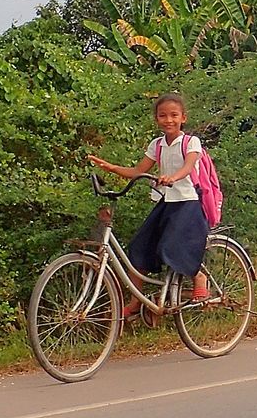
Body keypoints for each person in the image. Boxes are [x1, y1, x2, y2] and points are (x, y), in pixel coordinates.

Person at [87, 93, 209, 321]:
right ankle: (137, 301)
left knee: (171, 245)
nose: (168, 120)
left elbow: (190, 166)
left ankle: (199, 276)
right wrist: (111, 167)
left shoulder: (190, 142)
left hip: (188, 203)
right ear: (156, 119)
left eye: (174, 115)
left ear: (183, 117)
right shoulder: (158, 145)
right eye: (163, 116)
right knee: (139, 247)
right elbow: (137, 171)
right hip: (166, 202)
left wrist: (173, 177)